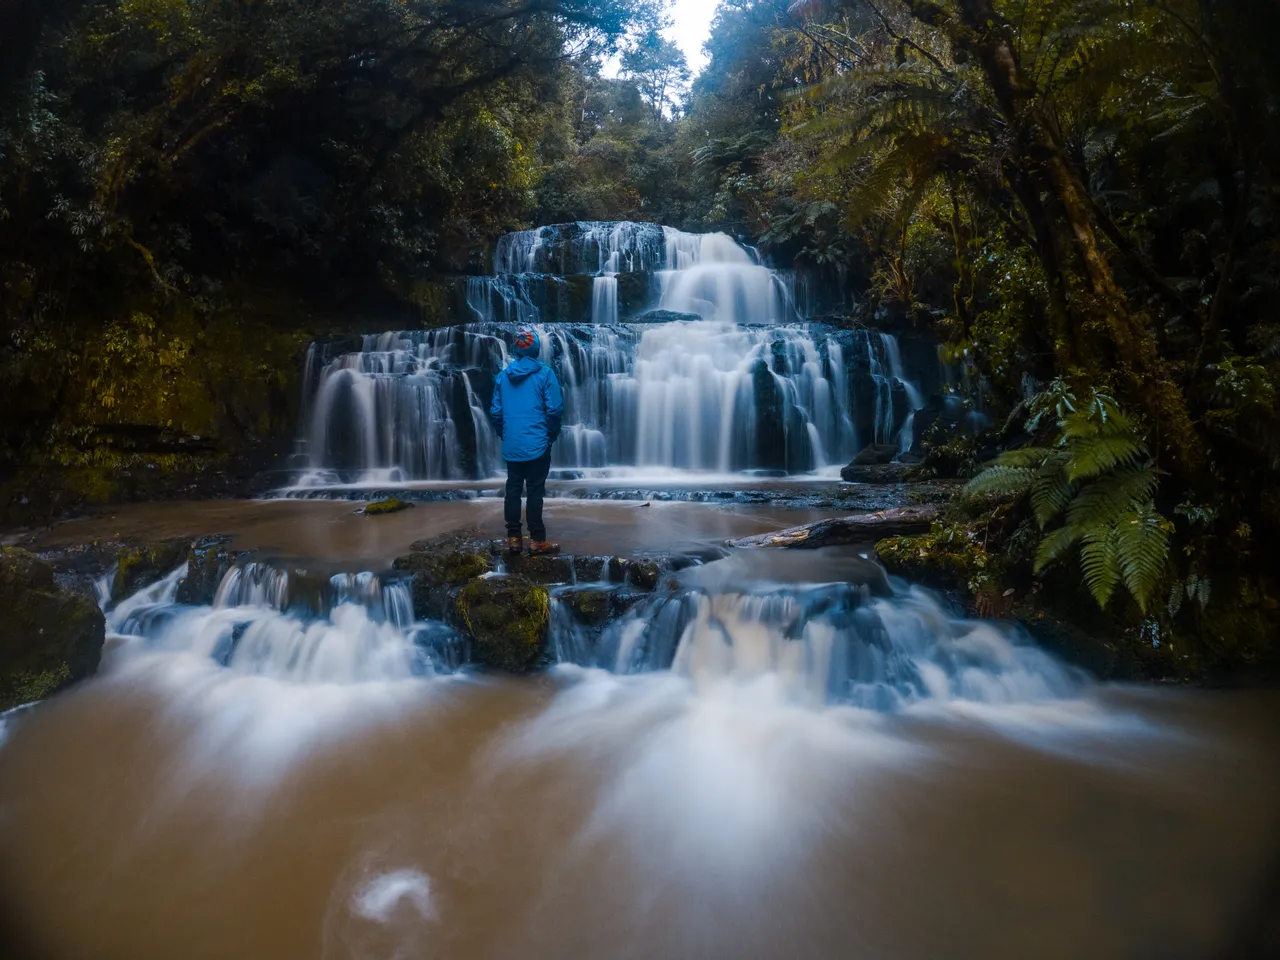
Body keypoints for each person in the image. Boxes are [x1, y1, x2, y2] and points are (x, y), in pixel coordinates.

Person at [489, 329, 564, 555]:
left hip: (512, 444)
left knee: (512, 489)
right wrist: (551, 435)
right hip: (538, 443)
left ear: (516, 350)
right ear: (536, 349)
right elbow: (555, 409)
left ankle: (513, 539)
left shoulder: (503, 377)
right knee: (534, 491)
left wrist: (505, 433)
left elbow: (495, 412)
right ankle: (537, 541)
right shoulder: (545, 374)